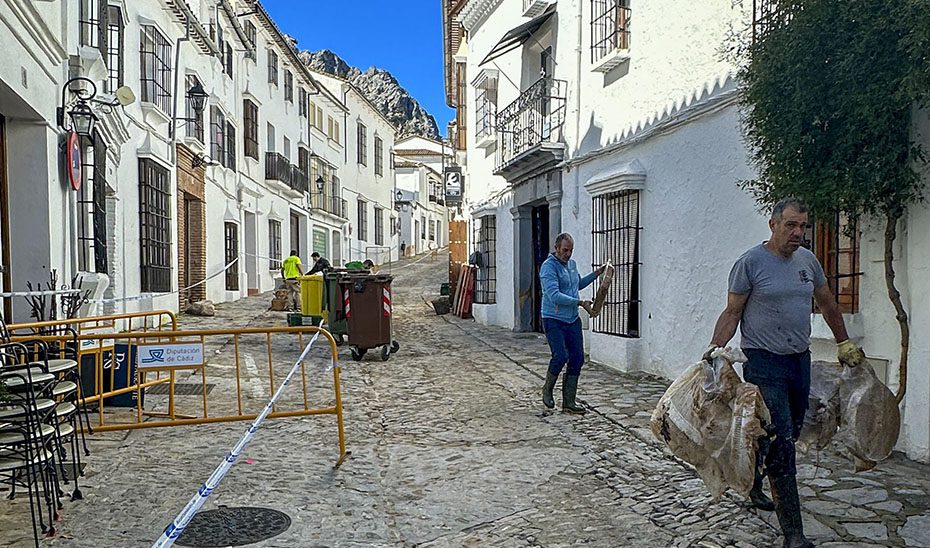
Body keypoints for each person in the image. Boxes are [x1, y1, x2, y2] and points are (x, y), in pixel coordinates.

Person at [705, 197, 866, 548]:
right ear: (773, 224)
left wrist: (844, 342)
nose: (798, 233)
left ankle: (756, 481)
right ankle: (793, 534)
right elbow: (732, 312)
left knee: (785, 429)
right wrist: (716, 352)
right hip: (763, 361)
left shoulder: (808, 261)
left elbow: (826, 302)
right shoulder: (750, 263)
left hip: (799, 360)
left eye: (803, 226)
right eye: (791, 225)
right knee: (782, 440)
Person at [539, 232, 607, 414]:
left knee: (577, 358)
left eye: (570, 250)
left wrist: (597, 273)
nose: (568, 254)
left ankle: (569, 402)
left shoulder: (572, 265)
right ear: (556, 248)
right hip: (553, 318)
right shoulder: (548, 268)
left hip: (571, 319)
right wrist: (579, 303)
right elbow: (554, 296)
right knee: (560, 355)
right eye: (564, 250)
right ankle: (547, 389)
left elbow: (577, 284)